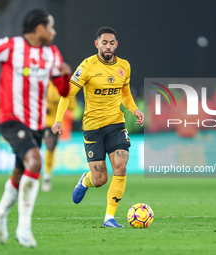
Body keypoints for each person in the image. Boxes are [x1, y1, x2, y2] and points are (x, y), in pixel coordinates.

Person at [0, 9, 71, 248]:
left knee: (19, 173)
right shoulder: (11, 46)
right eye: (51, 27)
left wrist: (65, 77)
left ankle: (1, 212)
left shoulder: (52, 53)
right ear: (38, 29)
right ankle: (24, 227)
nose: (54, 32)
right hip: (11, 118)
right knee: (35, 162)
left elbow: (63, 91)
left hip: (37, 123)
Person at [52, 27, 144, 227]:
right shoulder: (87, 66)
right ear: (97, 44)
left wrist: (134, 109)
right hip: (93, 127)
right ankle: (85, 181)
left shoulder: (124, 66)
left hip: (116, 124)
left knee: (120, 166)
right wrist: (59, 120)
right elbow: (67, 93)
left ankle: (109, 218)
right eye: (104, 42)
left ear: (116, 44)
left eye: (112, 43)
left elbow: (125, 93)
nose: (108, 46)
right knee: (100, 178)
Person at [42, 81, 77, 192]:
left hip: (56, 124)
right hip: (44, 122)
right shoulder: (46, 85)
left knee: (51, 149)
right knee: (48, 144)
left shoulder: (65, 87)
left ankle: (47, 174)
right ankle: (40, 175)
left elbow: (72, 106)